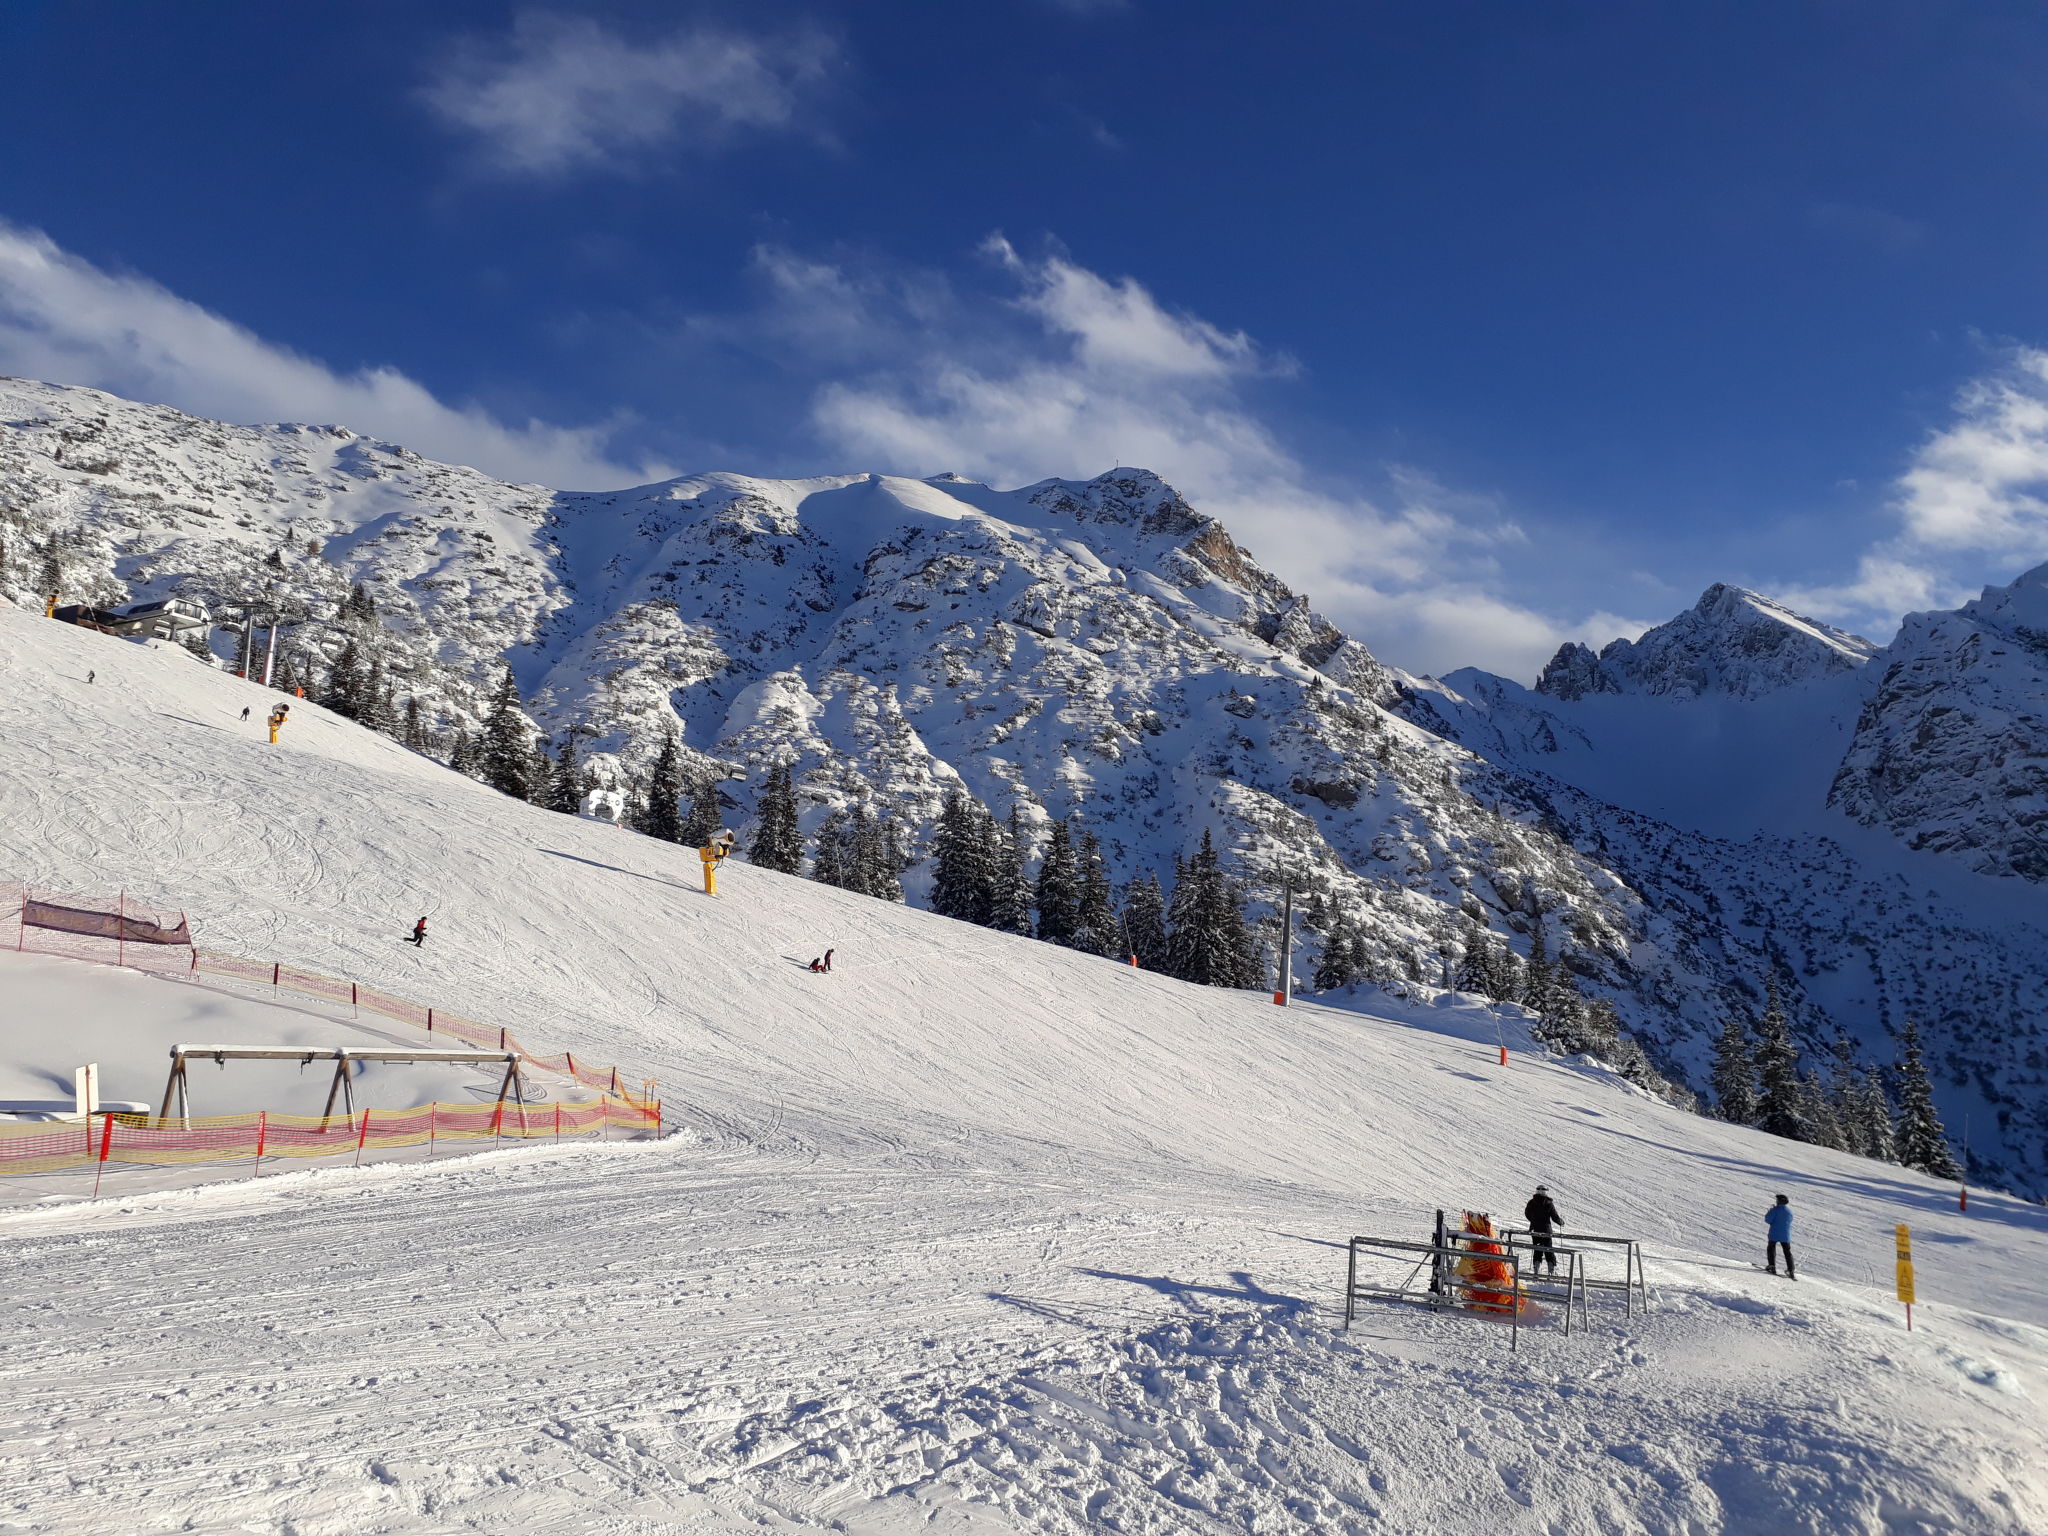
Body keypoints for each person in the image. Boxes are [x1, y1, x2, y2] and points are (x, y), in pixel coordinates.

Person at [1524, 1184, 1563, 1274]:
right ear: (1545, 1192)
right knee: (1548, 1250)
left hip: (1535, 1229)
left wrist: (1533, 1221)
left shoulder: (1531, 1202)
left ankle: (1536, 1270)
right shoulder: (1548, 1203)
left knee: (1537, 1249)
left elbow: (1527, 1213)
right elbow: (1554, 1217)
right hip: (1546, 1230)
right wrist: (1561, 1222)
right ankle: (1551, 1271)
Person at [1766, 1194, 1796, 1278]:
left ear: (1779, 1201)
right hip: (1785, 1234)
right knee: (1787, 1252)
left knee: (1771, 1248)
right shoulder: (1789, 1211)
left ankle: (1772, 1266)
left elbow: (1768, 1220)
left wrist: (1769, 1212)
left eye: (1777, 1200)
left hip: (1774, 1233)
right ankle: (1791, 1270)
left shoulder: (1775, 1210)